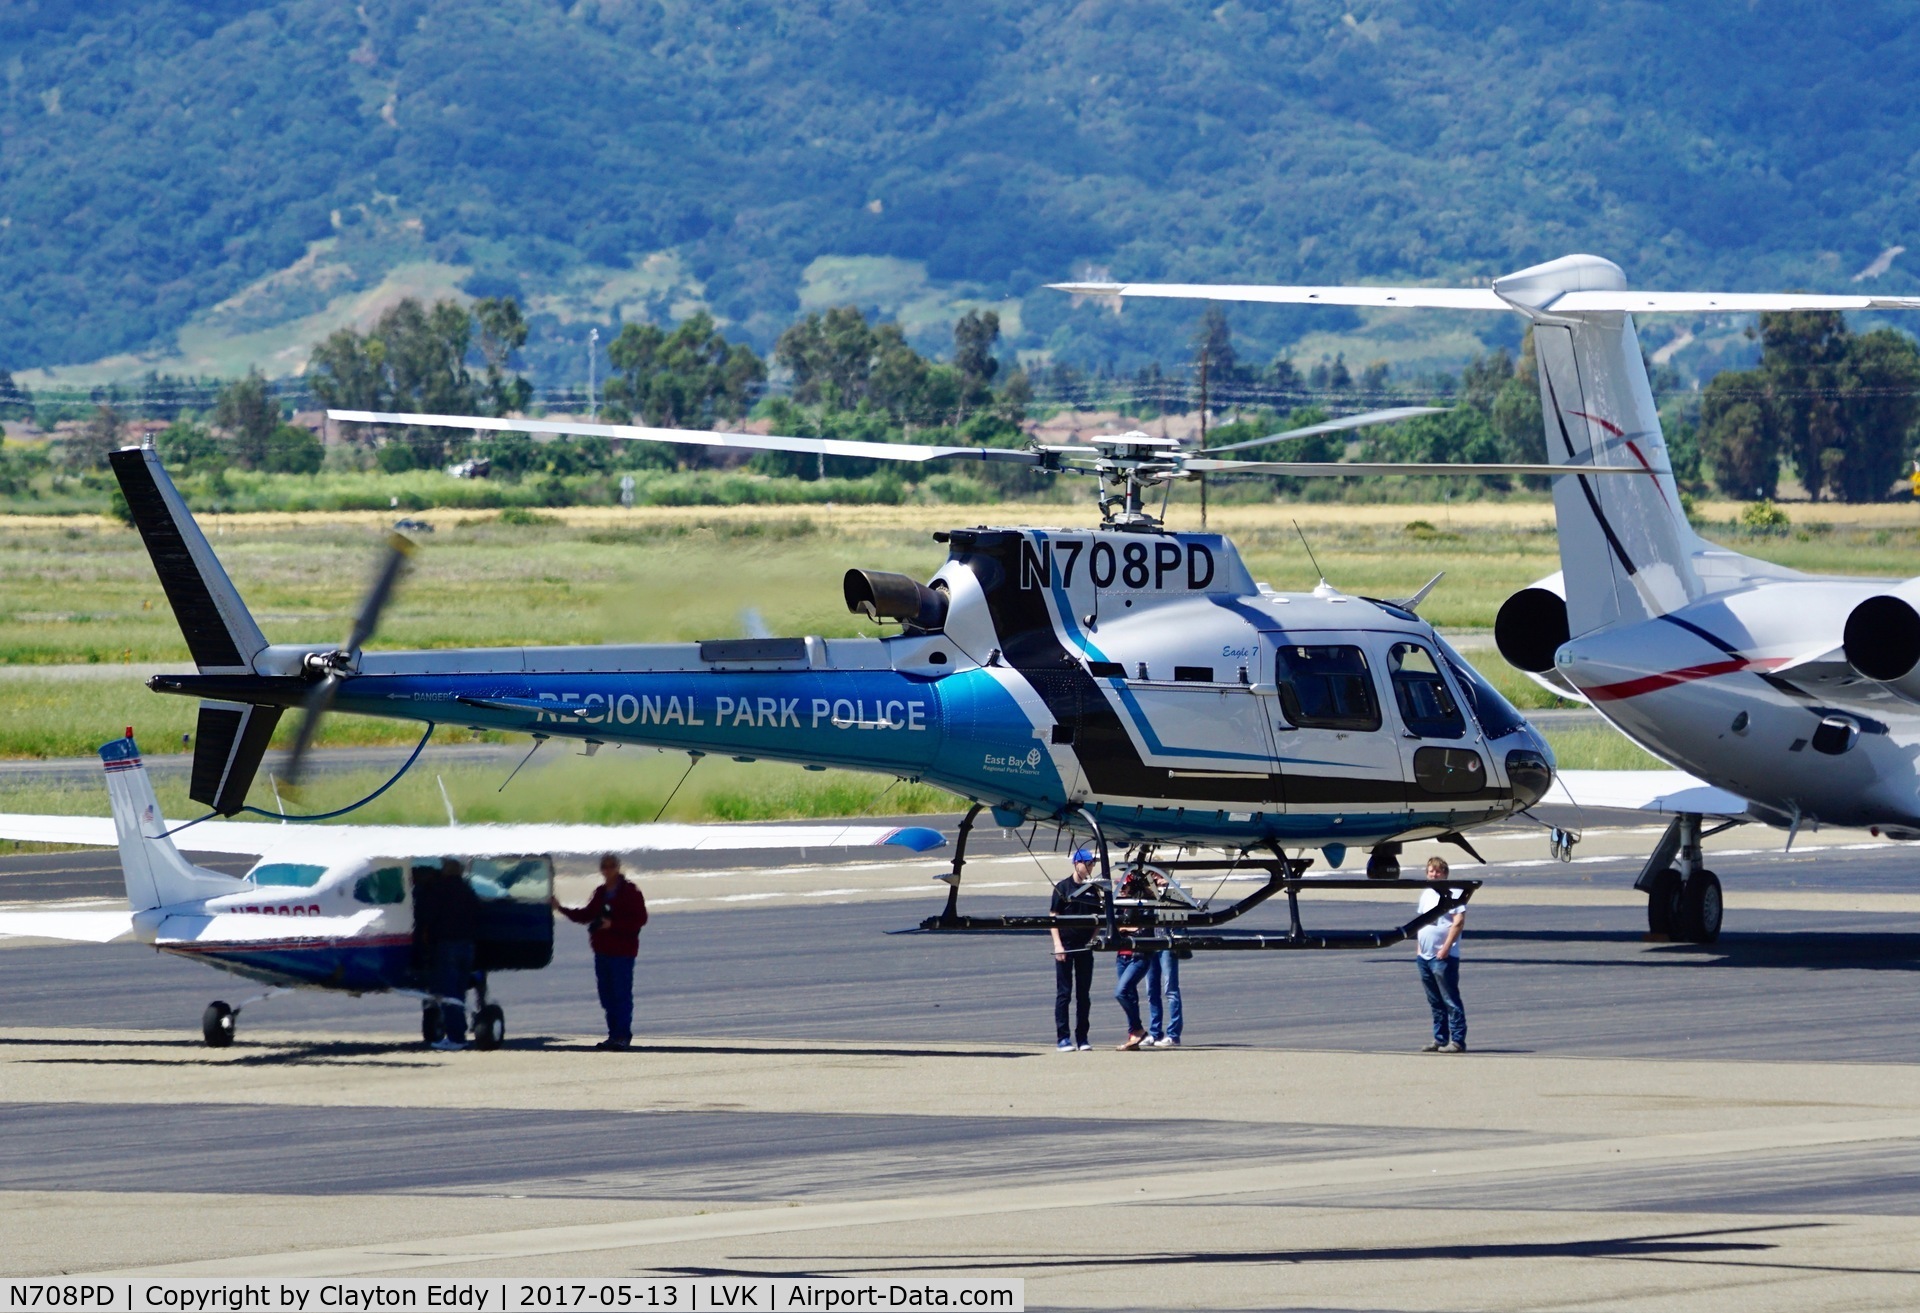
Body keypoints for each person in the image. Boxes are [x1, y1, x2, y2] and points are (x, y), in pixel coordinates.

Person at [552, 852, 649, 1050]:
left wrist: (613, 924)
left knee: (621, 995)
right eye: (604, 866)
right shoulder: (600, 892)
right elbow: (586, 915)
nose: (607, 870)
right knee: (607, 995)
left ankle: (622, 1035)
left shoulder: (630, 891)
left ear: (618, 867)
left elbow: (640, 919)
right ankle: (613, 1035)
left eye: (611, 865)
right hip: (602, 951)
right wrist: (561, 909)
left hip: (622, 952)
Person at [414, 857, 480, 1051]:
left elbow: (425, 916)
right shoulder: (467, 891)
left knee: (447, 993)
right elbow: (477, 914)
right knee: (458, 992)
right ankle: (458, 1031)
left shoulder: (438, 891)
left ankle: (456, 1037)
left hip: (447, 946)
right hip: (467, 946)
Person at [1415, 855, 1467, 1053]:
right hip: (1425, 956)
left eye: (1437, 872)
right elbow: (1422, 921)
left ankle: (1458, 1040)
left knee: (1450, 1000)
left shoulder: (1454, 892)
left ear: (1445, 873)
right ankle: (1440, 1038)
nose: (1434, 875)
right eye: (1431, 872)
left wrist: (1446, 948)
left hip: (1444, 956)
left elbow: (1458, 921)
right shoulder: (1427, 893)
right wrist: (1419, 949)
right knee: (1435, 1001)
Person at [1050, 847, 1100, 1051]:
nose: (1090, 868)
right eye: (1087, 864)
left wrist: (1093, 939)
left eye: (1092, 864)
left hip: (1084, 947)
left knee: (1083, 994)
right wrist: (1057, 944)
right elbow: (1053, 916)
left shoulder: (1093, 889)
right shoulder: (1063, 887)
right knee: (1064, 993)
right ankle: (1063, 1037)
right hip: (1066, 945)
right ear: (1076, 863)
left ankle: (1083, 1037)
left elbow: (1099, 919)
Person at [1146, 949, 1182, 1048]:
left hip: (1167, 944)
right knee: (1151, 990)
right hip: (1149, 943)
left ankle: (1173, 1035)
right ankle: (1155, 1033)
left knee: (1171, 990)